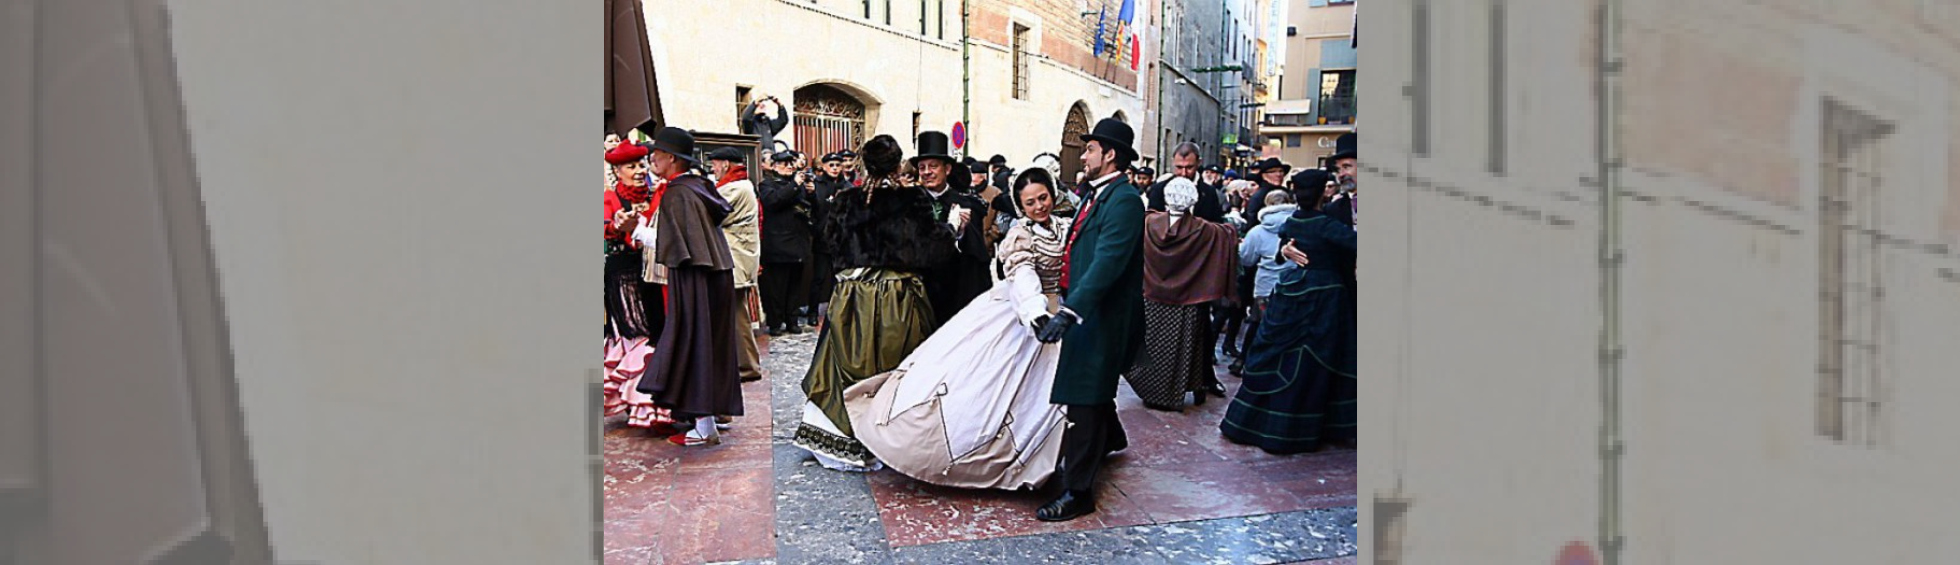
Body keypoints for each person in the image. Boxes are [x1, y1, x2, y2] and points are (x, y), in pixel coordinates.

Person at [844, 168, 1074, 490]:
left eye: (1043, 198)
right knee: (982, 384)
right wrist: (1036, 314)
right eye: (1030, 202)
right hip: (1022, 312)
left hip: (1059, 309)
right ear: (1020, 206)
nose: (1039, 207)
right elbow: (1023, 275)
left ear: (1052, 194)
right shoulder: (1021, 235)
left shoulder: (1066, 227)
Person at [793, 135, 959, 472]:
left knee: (840, 359)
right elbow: (930, 252)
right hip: (899, 296)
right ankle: (888, 439)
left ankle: (837, 435)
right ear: (899, 166)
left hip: (852, 296)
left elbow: (833, 246)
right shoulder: (912, 200)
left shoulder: (845, 200)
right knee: (898, 363)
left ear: (864, 165)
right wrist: (952, 228)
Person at [1030, 118, 1146, 522]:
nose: (1084, 155)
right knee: (1091, 390)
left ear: (1109, 154)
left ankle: (1078, 492)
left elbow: (1108, 262)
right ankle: (1110, 438)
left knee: (1083, 397)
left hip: (1102, 316)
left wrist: (1069, 311)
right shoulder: (1098, 194)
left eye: (1090, 148)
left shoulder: (1125, 200)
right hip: (1087, 311)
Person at [1220, 173, 1356, 454]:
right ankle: (1301, 427)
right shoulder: (1326, 224)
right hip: (1324, 294)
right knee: (1315, 359)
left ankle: (1258, 421)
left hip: (1292, 289)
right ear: (1321, 194)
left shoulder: (1294, 222)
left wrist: (1285, 251)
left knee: (1283, 356)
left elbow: (1283, 250)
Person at [631, 127, 746, 446]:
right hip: (715, 274)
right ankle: (709, 416)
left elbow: (673, 244)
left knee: (693, 342)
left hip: (695, 277)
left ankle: (703, 425)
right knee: (710, 343)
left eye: (656, 153)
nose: (651, 158)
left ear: (671, 158)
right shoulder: (700, 186)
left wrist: (638, 230)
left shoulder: (677, 192)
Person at [1128, 177, 1238, 410]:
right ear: (1193, 202)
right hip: (1188, 298)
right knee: (1187, 348)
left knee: (1153, 346)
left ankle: (1153, 391)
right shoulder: (1206, 229)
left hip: (1152, 296)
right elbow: (1229, 234)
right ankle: (1190, 388)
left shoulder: (1148, 222)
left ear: (1166, 199)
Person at [602, 140, 670, 429]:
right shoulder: (610, 197)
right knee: (636, 335)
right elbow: (606, 227)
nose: (639, 170)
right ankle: (639, 406)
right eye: (631, 166)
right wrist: (618, 225)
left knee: (655, 332)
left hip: (652, 271)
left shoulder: (657, 193)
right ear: (618, 171)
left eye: (641, 164)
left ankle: (655, 405)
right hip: (624, 274)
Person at [911, 131, 993, 331]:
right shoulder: (910, 203)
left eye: (933, 166)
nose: (927, 172)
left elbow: (977, 256)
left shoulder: (965, 203)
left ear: (947, 169)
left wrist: (962, 233)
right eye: (922, 167)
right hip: (920, 292)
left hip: (955, 291)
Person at [706, 148, 766, 382]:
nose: (713, 169)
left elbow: (710, 211)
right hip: (737, 259)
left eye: (715, 164)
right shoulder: (740, 184)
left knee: (736, 317)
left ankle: (747, 366)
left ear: (726, 164)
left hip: (735, 260)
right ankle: (744, 364)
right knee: (735, 315)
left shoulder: (736, 187)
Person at [758, 150, 815, 336]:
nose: (789, 166)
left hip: (798, 243)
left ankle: (792, 320)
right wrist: (794, 185)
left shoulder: (797, 185)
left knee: (795, 286)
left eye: (791, 163)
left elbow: (809, 207)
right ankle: (775, 323)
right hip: (778, 244)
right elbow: (773, 201)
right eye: (784, 163)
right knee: (776, 288)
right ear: (774, 166)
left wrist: (811, 193)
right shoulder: (767, 184)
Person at [805, 152, 851, 328]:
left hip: (840, 239)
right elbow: (812, 208)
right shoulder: (816, 184)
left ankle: (835, 311)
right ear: (824, 167)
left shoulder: (846, 186)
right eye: (831, 165)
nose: (834, 168)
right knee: (818, 278)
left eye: (838, 165)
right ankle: (812, 312)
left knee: (836, 279)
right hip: (822, 237)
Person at [1144, 143, 1226, 223]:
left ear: (1199, 163)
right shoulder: (1159, 190)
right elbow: (1151, 224)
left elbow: (1215, 225)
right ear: (1173, 162)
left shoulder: (1209, 193)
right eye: (1179, 167)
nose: (1184, 173)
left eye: (1189, 167)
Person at [1239, 157, 1292, 226]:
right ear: (1264, 175)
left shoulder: (1288, 193)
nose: (1278, 174)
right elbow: (1252, 221)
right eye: (1273, 171)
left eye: (1281, 171)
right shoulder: (1258, 196)